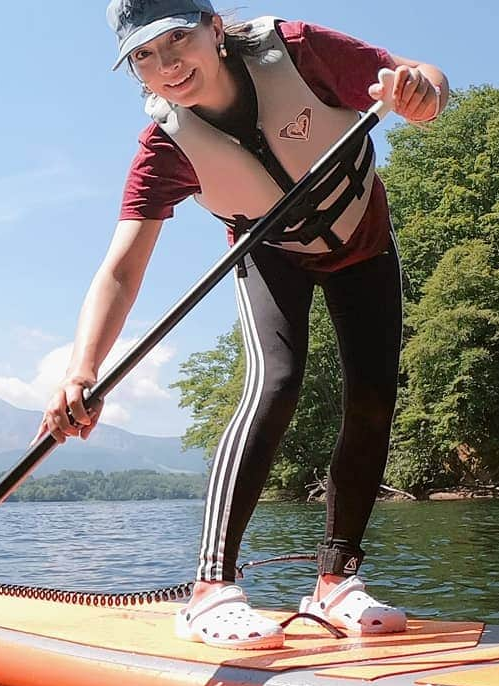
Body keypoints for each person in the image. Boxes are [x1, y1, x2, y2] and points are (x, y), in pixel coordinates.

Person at [38, 0, 449, 649]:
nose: (167, 64)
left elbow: (420, 77)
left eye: (177, 39)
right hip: (271, 252)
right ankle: (210, 590)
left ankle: (336, 582)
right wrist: (82, 368)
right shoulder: (165, 147)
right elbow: (122, 267)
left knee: (373, 403)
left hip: (364, 245)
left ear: (215, 28)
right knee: (276, 382)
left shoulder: (302, 52)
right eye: (144, 54)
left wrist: (423, 94)